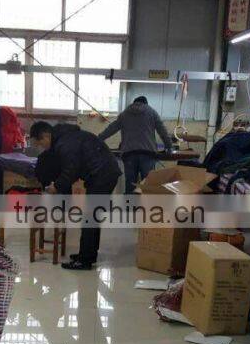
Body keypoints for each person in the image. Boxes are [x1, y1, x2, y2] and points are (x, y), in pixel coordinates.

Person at [29, 121, 121, 271]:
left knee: (90, 217)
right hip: (103, 173)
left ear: (46, 136)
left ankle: (84, 261)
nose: (41, 147)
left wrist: (56, 186)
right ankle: (88, 255)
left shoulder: (65, 144)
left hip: (103, 175)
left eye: (40, 143)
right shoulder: (67, 138)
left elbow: (70, 170)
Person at [98, 96, 174, 193]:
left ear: (134, 103)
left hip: (129, 154)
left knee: (130, 185)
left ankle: (129, 203)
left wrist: (98, 139)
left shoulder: (125, 114)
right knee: (147, 186)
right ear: (146, 103)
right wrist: (169, 146)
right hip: (148, 154)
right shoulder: (151, 112)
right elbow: (162, 130)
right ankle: (146, 203)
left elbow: (111, 128)